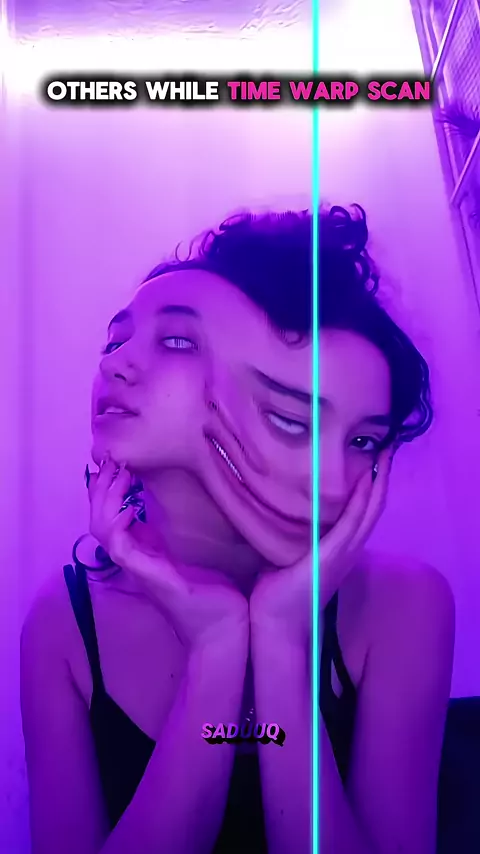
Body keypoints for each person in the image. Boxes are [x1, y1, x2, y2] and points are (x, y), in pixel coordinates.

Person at [20, 205, 454, 854]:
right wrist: (216, 650)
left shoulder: (402, 606)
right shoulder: (63, 624)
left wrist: (279, 641)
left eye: (175, 341)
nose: (113, 365)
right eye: (115, 340)